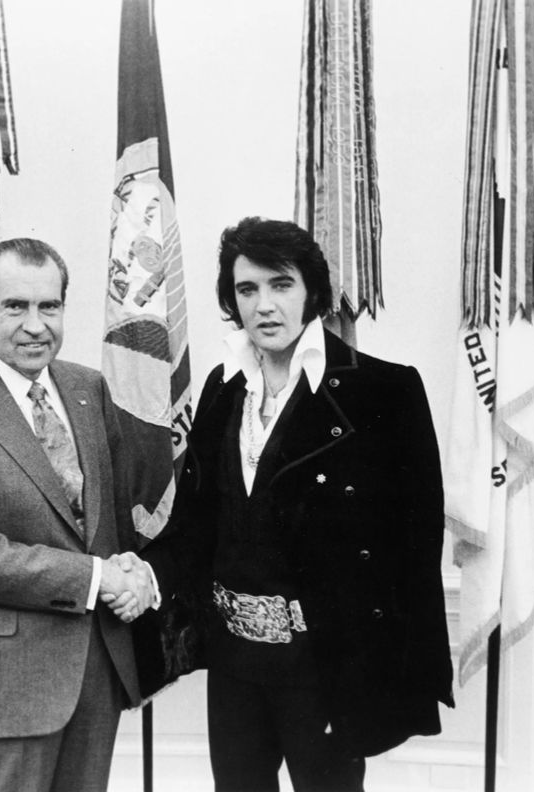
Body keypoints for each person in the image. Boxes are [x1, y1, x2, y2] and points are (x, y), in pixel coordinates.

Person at [106, 217, 454, 792]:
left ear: (311, 291)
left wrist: (392, 671)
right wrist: (145, 571)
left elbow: (414, 547)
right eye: (248, 290)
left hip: (327, 665)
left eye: (281, 284)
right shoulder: (222, 388)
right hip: (234, 664)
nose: (264, 305)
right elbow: (197, 526)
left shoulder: (383, 392)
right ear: (233, 300)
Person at [0, 237, 154, 792]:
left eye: (50, 307)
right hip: (5, 682)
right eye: (15, 306)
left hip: (97, 671)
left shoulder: (88, 388)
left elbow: (109, 523)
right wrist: (98, 577)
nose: (35, 325)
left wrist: (135, 571)